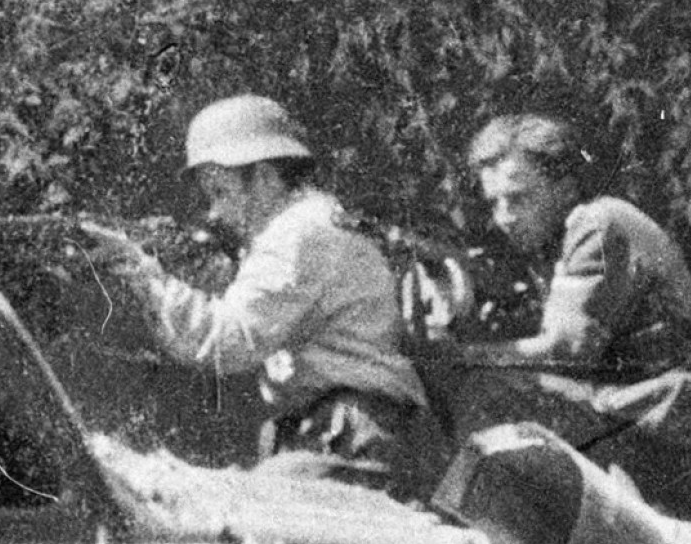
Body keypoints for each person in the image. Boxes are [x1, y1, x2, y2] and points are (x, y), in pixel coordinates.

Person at [79, 95, 436, 493]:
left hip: (349, 433)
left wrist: (145, 278)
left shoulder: (298, 235)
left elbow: (225, 341)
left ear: (265, 177)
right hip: (341, 428)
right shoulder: (311, 222)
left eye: (221, 192)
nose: (214, 212)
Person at [440, 113, 691, 518]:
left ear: (564, 187)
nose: (504, 216)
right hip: (659, 420)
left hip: (671, 428)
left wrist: (462, 354)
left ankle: (466, 526)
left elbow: (567, 348)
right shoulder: (572, 235)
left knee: (483, 387)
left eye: (519, 197)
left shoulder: (595, 224)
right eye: (495, 203)